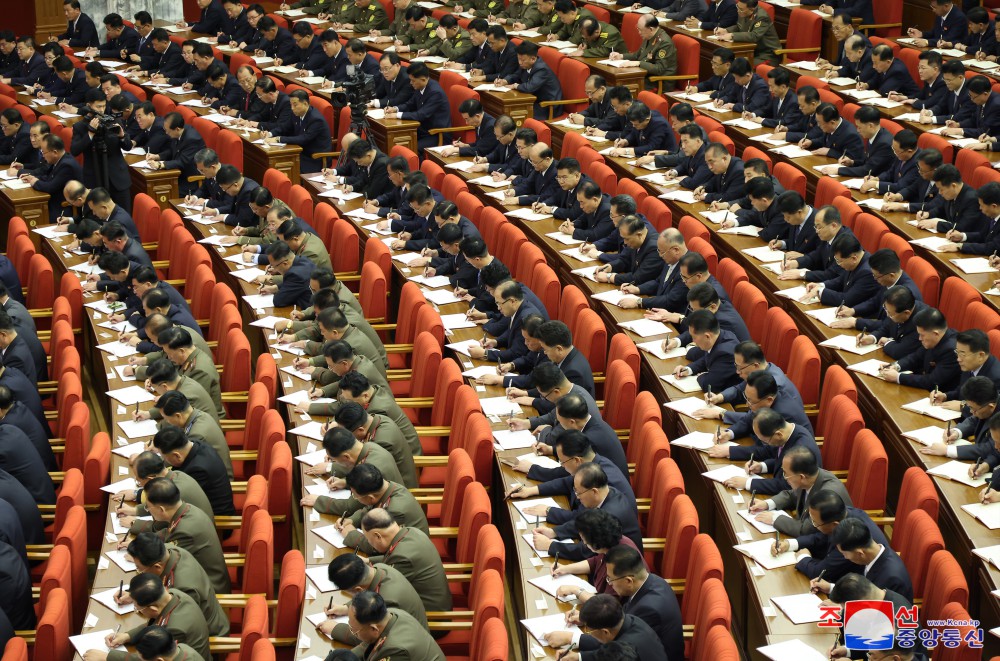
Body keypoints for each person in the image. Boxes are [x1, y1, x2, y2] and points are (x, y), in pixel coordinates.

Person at [124, 477, 231, 594]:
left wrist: (140, 558)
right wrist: (140, 545)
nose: (148, 511)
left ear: (161, 509)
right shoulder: (186, 509)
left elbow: (165, 561)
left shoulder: (186, 531)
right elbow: (167, 532)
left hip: (207, 589)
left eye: (148, 507)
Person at [773, 490, 890, 584]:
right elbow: (821, 537)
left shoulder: (849, 539)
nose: (814, 526)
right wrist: (790, 544)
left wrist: (803, 557)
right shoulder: (843, 514)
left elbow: (820, 572)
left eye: (815, 523)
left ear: (835, 525)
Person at [124, 534, 229, 637]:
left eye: (139, 568)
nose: (140, 572)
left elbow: (166, 623)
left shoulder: (182, 587)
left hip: (209, 635)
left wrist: (129, 634)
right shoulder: (171, 552)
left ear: (157, 566)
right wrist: (135, 595)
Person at [99, 573, 211, 661]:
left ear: (153, 609)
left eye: (138, 608)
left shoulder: (176, 628)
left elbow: (149, 657)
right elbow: (155, 625)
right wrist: (127, 636)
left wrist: (107, 657)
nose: (137, 610)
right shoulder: (173, 594)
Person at [320, 554, 427, 644]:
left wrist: (335, 629)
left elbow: (370, 636)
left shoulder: (388, 600)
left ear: (358, 590)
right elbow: (367, 596)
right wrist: (346, 608)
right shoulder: (379, 568)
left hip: (406, 640)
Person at [360, 508, 452, 612]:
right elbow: (393, 557)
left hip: (431, 617)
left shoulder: (402, 558)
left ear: (378, 536)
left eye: (368, 540)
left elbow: (382, 589)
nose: (369, 543)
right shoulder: (411, 532)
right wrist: (368, 561)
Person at [749, 445, 853, 536]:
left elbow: (807, 530)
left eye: (786, 473)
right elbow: (791, 495)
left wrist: (775, 519)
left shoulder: (826, 496)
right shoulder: (810, 478)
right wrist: (767, 504)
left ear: (801, 477)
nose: (784, 477)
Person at [723, 407, 821, 495]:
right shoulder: (790, 431)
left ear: (778, 434)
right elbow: (781, 459)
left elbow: (787, 485)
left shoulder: (801, 449)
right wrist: (762, 466)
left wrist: (747, 483)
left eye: (765, 441)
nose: (766, 444)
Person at [820, 518, 913, 602]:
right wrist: (831, 588)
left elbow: (881, 616)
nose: (845, 558)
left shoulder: (892, 579)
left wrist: (841, 608)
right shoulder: (871, 555)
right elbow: (862, 590)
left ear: (860, 553)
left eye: (844, 554)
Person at [151, 423, 234, 516]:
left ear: (177, 455)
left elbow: (172, 498)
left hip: (216, 520)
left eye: (164, 457)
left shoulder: (198, 470)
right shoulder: (194, 444)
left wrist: (138, 495)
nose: (165, 460)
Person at [553, 594, 667, 661]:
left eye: (589, 629)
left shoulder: (624, 649)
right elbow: (607, 651)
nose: (588, 632)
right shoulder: (630, 620)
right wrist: (578, 657)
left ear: (605, 632)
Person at [880, 306, 960, 392]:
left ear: (935, 334)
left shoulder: (951, 350)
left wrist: (898, 377)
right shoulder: (937, 338)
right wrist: (895, 366)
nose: (919, 338)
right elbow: (916, 357)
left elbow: (932, 381)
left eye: (922, 335)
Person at [346, 591, 444, 661]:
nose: (354, 633)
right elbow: (366, 645)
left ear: (373, 628)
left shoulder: (395, 650)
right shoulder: (391, 614)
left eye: (354, 631)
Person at [671, 309, 741, 393]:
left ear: (707, 336)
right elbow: (707, 358)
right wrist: (689, 369)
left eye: (694, 337)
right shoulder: (721, 335)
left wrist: (701, 376)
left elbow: (709, 385)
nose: (693, 341)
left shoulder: (726, 353)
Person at [384, 62, 449, 152]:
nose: (411, 83)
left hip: (436, 134)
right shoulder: (421, 87)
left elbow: (421, 115)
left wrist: (397, 115)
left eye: (413, 80)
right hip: (422, 130)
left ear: (422, 79)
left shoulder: (435, 93)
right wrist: (395, 109)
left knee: (411, 148)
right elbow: (410, 104)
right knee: (396, 141)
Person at [20, 133, 82, 221]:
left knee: (30, 211)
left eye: (44, 152)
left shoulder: (67, 165)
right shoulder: (60, 160)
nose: (43, 156)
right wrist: (32, 178)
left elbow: (50, 187)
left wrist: (35, 182)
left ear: (55, 152)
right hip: (54, 200)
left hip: (62, 207)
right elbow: (49, 177)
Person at [499, 41, 562, 120]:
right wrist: (505, 81)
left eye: (522, 60)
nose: (520, 62)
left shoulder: (542, 69)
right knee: (507, 110)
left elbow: (529, 87)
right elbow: (516, 75)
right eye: (518, 59)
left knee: (515, 113)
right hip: (533, 101)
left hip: (547, 107)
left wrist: (516, 85)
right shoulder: (526, 64)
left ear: (533, 59)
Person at [714, 0, 780, 65]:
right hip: (752, 51)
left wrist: (732, 35)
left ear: (752, 10)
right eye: (737, 7)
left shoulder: (762, 17)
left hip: (766, 55)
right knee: (727, 62)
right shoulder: (743, 11)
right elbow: (740, 27)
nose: (738, 10)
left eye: (741, 9)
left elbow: (754, 36)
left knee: (739, 66)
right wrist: (726, 30)